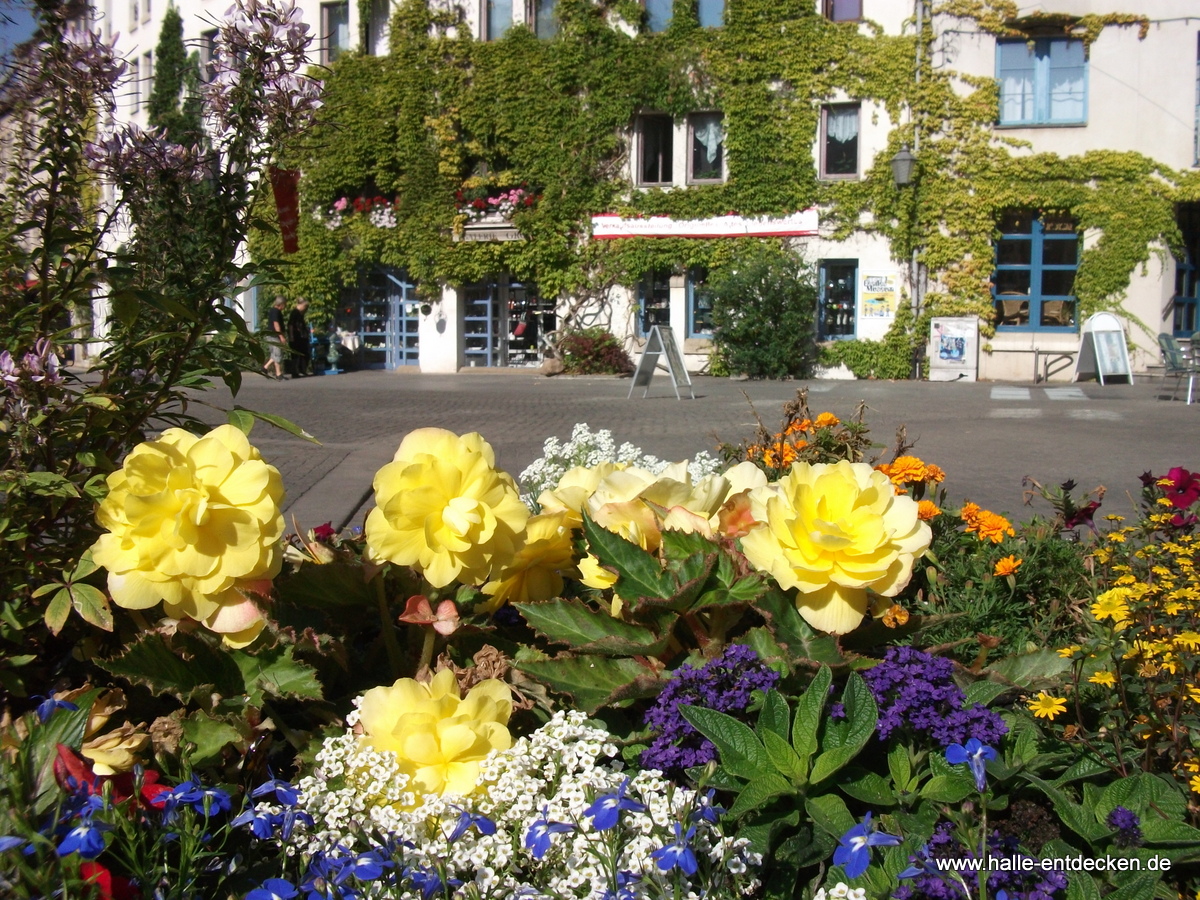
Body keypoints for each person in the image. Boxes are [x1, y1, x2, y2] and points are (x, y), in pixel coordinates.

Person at [263, 296, 286, 380]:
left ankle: (266, 368)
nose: (285, 306)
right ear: (281, 304)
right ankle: (278, 373)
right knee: (278, 354)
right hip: (274, 336)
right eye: (285, 304)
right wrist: (281, 336)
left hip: (270, 335)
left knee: (274, 354)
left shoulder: (272, 311)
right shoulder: (276, 312)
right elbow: (276, 324)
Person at [287, 298, 311, 377]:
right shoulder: (295, 313)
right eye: (305, 306)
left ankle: (301, 369)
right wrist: (291, 336)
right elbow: (290, 324)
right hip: (296, 337)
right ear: (301, 305)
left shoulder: (300, 313)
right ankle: (295, 371)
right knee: (296, 355)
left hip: (301, 336)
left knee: (304, 353)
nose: (305, 308)